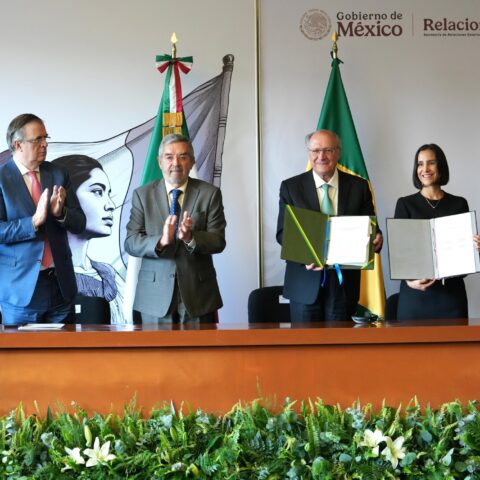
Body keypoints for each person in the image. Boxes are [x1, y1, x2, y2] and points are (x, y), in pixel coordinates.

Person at [277, 129, 383, 322]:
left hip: (344, 287)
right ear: (309, 153)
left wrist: (377, 237)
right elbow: (283, 233)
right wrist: (306, 255)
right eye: (316, 150)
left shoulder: (359, 187)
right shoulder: (290, 187)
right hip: (304, 284)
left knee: (340, 342)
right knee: (305, 342)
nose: (321, 156)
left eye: (328, 150)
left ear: (338, 152)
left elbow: (370, 227)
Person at [124, 133, 226, 324]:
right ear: (160, 162)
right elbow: (131, 242)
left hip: (199, 297)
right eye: (169, 157)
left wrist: (190, 237)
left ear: (192, 161)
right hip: (153, 298)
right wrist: (160, 241)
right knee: (156, 346)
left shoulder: (210, 194)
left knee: (201, 346)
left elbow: (218, 241)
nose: (176, 163)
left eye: (183, 156)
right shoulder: (142, 195)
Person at [0, 113, 86, 325]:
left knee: (66, 347)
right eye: (37, 139)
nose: (45, 144)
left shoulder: (58, 173)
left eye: (45, 137)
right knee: (22, 349)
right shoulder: (2, 179)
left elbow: (80, 223)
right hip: (21, 291)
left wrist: (60, 214)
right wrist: (32, 222)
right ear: (18, 144)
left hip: (61, 286)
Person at [394, 143, 480, 320]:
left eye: (431, 163)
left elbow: (465, 261)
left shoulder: (459, 204)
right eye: (420, 164)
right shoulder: (405, 204)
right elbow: (399, 256)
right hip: (414, 298)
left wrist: (475, 249)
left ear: (441, 166)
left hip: (451, 298)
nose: (425, 169)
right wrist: (410, 281)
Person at [51, 155, 127, 324]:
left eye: (108, 194)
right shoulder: (43, 276)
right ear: (65, 196)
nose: (111, 205)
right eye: (98, 192)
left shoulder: (109, 274)